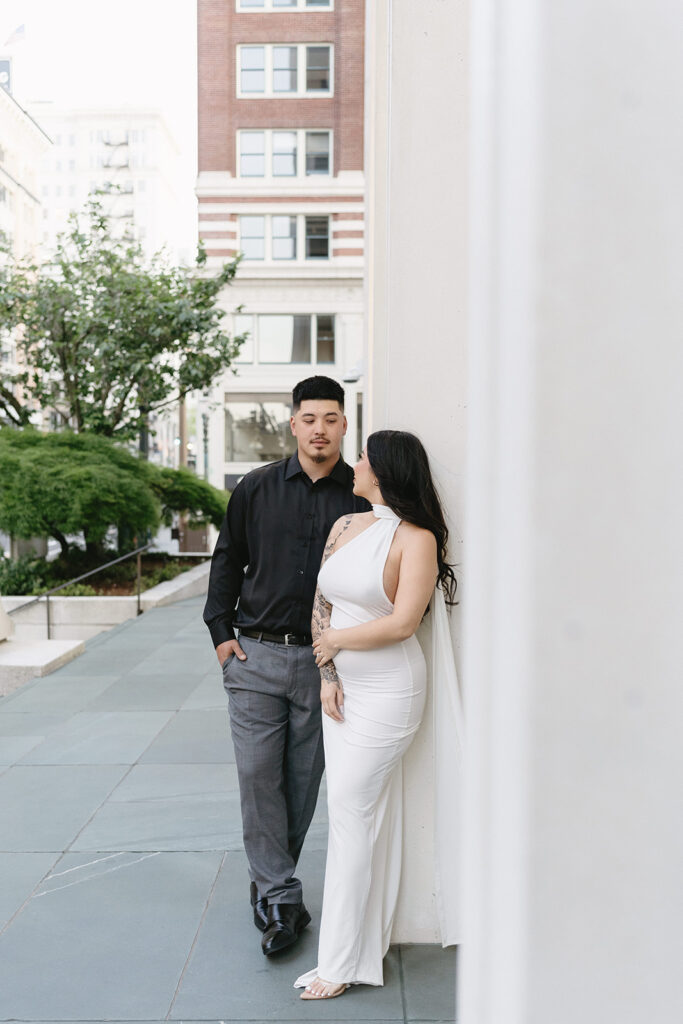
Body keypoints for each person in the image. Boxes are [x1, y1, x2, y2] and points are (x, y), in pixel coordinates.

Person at [203, 376, 370, 956]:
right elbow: (228, 562)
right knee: (257, 778)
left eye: (330, 418)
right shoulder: (254, 488)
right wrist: (222, 635)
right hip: (255, 656)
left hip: (328, 665)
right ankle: (280, 897)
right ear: (293, 424)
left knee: (301, 785)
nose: (319, 429)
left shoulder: (364, 498)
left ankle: (272, 886)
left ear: (345, 425)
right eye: (309, 418)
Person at [294, 429, 457, 1000]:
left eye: (362, 455)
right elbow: (321, 602)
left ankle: (338, 962)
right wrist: (328, 675)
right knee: (360, 816)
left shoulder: (418, 540)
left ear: (384, 471)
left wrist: (337, 641)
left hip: (391, 694)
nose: (354, 463)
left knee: (349, 813)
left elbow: (403, 622)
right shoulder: (345, 525)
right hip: (344, 693)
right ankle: (362, 947)